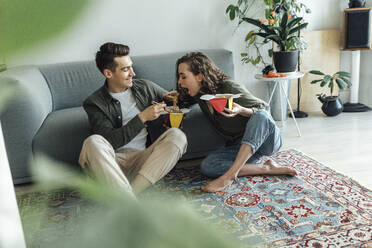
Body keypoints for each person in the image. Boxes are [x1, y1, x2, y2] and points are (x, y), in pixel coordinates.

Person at [175, 52, 297, 193]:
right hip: (241, 146)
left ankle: (229, 176)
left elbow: (264, 110)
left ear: (200, 76)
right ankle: (266, 168)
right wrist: (170, 98)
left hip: (265, 140)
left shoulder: (229, 88)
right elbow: (180, 99)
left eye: (183, 76)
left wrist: (242, 110)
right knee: (208, 166)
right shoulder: (200, 96)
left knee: (260, 115)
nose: (180, 81)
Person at [79, 42, 187, 197]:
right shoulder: (94, 103)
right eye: (125, 69)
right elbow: (110, 141)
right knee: (93, 141)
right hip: (110, 164)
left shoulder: (145, 87)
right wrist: (142, 117)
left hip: (142, 161)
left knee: (177, 136)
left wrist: (179, 95)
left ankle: (129, 196)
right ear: (108, 73)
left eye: (131, 67)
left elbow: (177, 101)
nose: (133, 73)